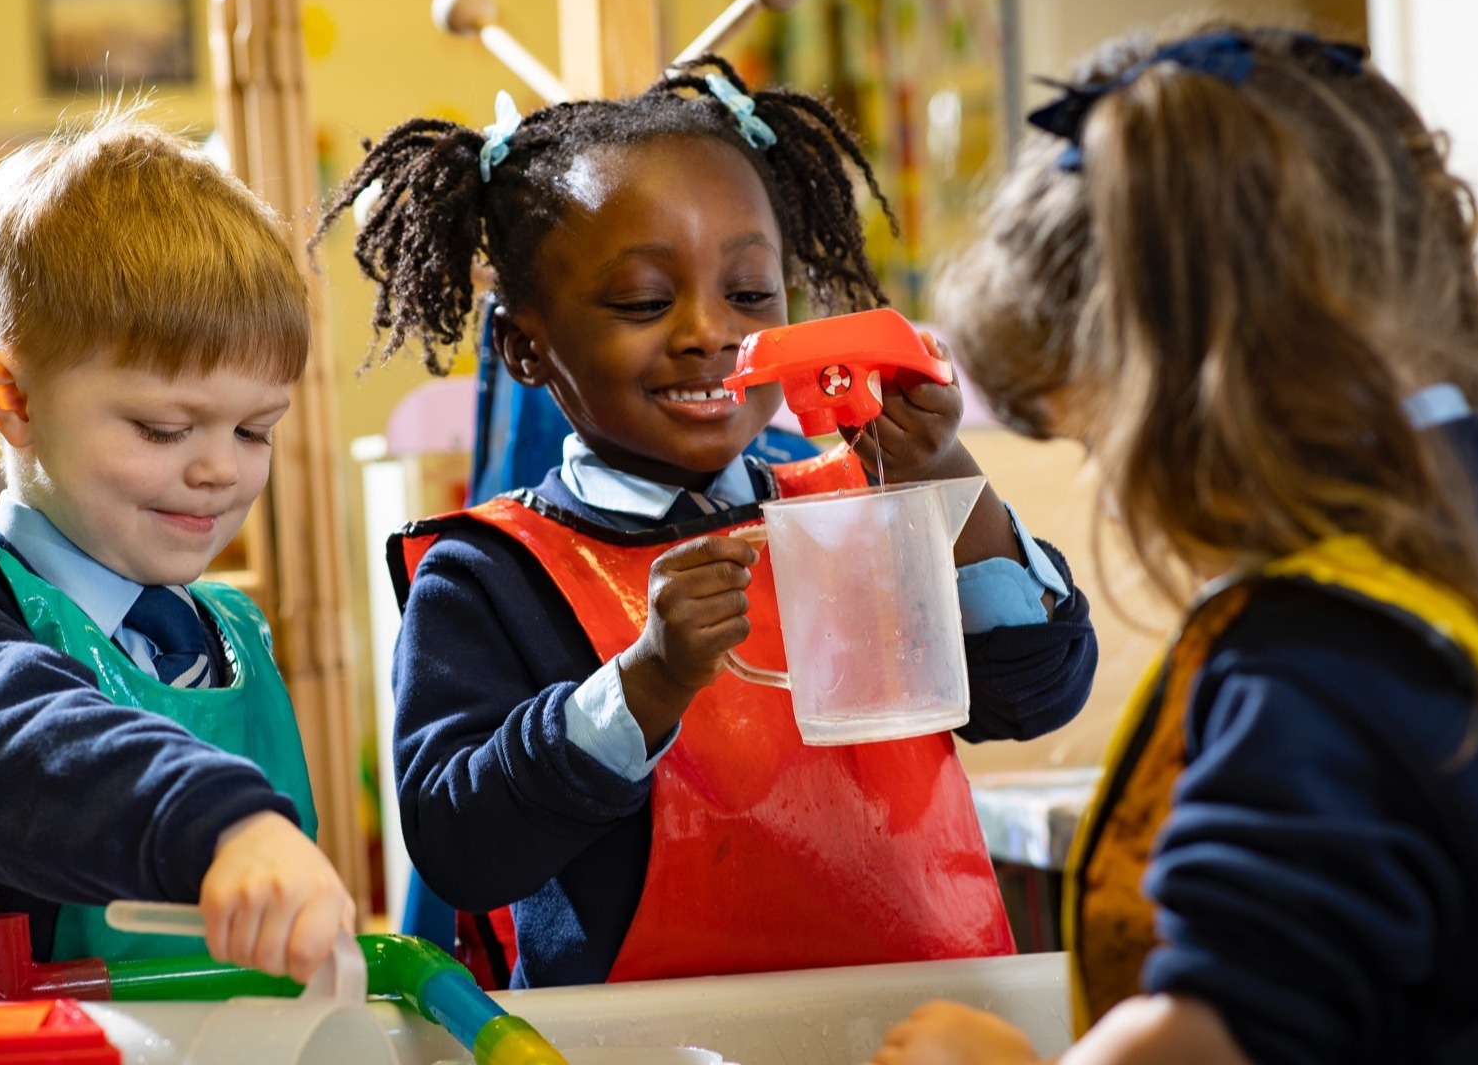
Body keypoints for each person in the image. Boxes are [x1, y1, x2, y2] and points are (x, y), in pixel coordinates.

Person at [315, 59, 1098, 989]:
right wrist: (646, 683)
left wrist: (942, 476)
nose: (708, 332)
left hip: (922, 1025)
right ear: (527, 344)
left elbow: (1033, 695)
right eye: (645, 302)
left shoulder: (861, 506)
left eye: (751, 294)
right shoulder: (488, 576)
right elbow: (461, 849)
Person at [868, 24, 1478, 1065]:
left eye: (1097, 442)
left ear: (1189, 391)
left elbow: (1226, 1033)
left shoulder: (1313, 665)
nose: (1112, 496)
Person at [0, 107, 353, 1013]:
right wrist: (215, 823)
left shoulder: (232, 636)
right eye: (163, 428)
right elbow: (16, 743)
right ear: (14, 399)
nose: (217, 469)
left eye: (254, 430)